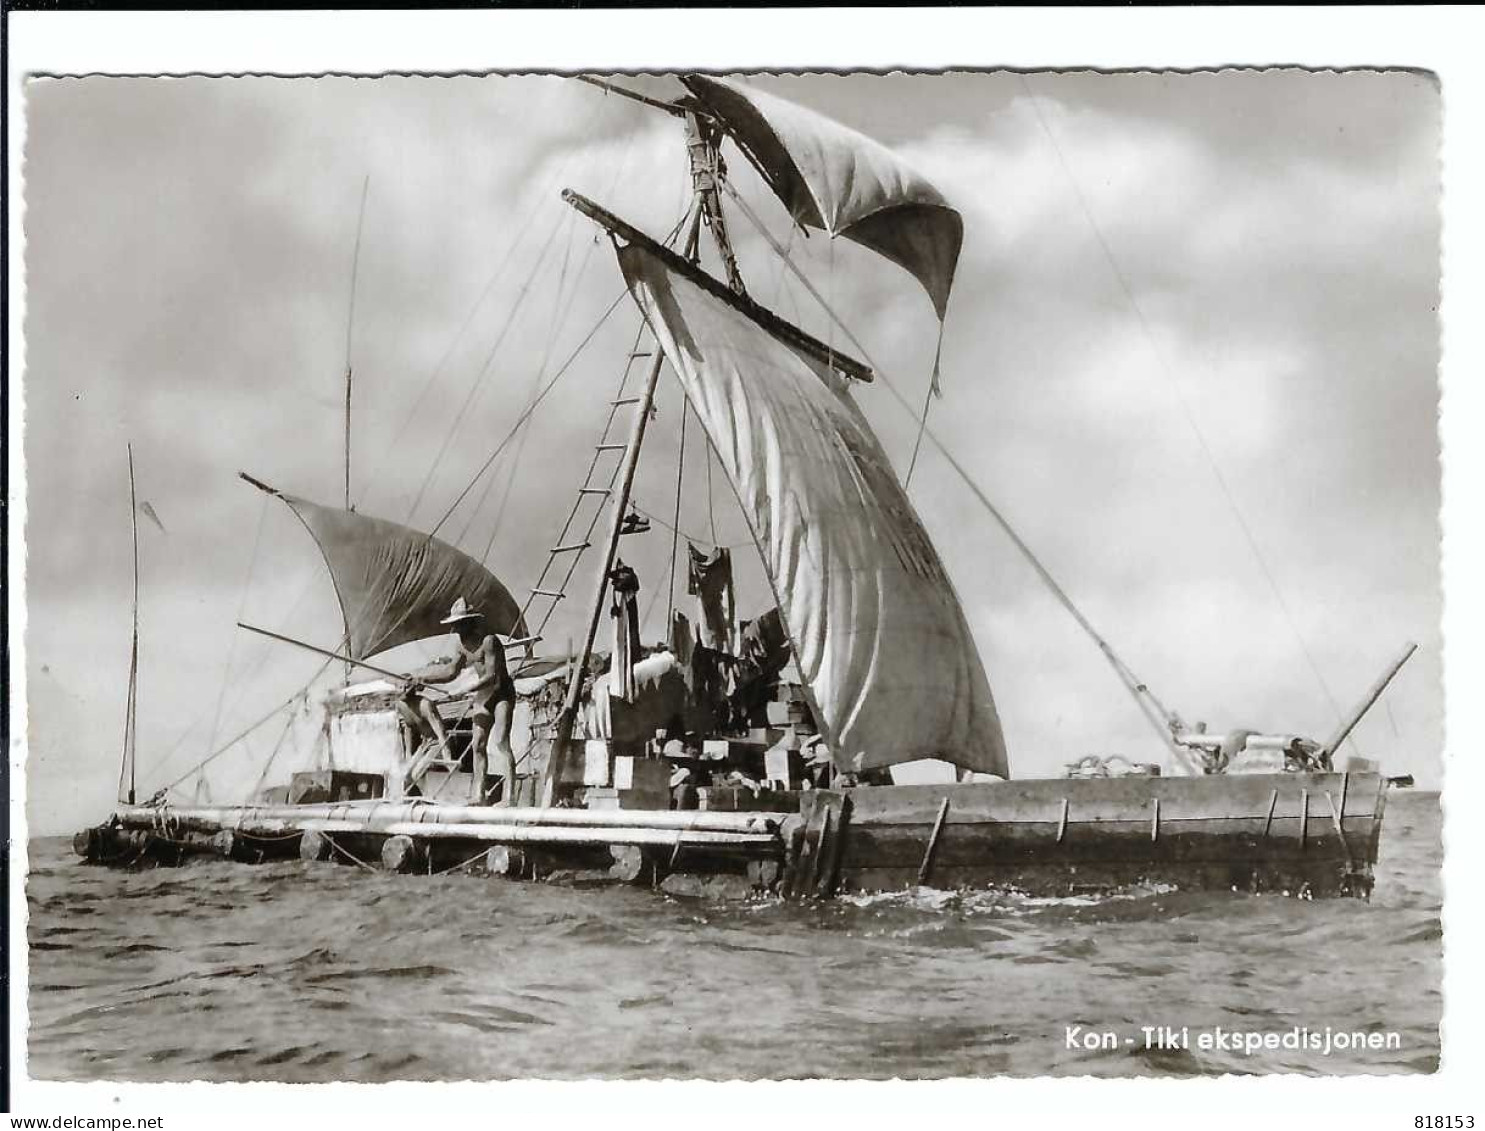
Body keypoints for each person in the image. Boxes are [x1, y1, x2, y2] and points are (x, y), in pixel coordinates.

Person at [399, 597, 516, 806]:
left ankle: (510, 796)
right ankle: (478, 795)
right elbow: (451, 671)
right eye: (455, 624)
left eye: (460, 624)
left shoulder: (489, 641)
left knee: (501, 742)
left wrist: (463, 690)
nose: (456, 628)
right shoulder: (461, 645)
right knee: (477, 745)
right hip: (483, 697)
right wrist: (423, 678)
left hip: (501, 694)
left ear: (470, 622)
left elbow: (492, 676)